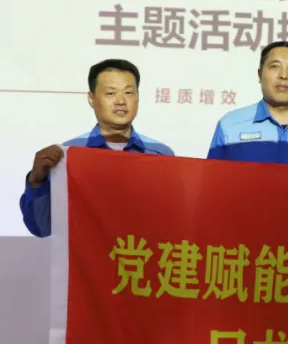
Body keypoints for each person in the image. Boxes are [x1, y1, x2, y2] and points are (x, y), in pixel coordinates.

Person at [19, 59, 173, 237]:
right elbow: (42, 228)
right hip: (87, 255)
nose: (121, 101)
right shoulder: (67, 155)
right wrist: (36, 181)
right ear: (91, 99)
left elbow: (173, 220)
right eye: (110, 93)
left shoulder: (161, 154)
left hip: (140, 252)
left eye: (129, 92)